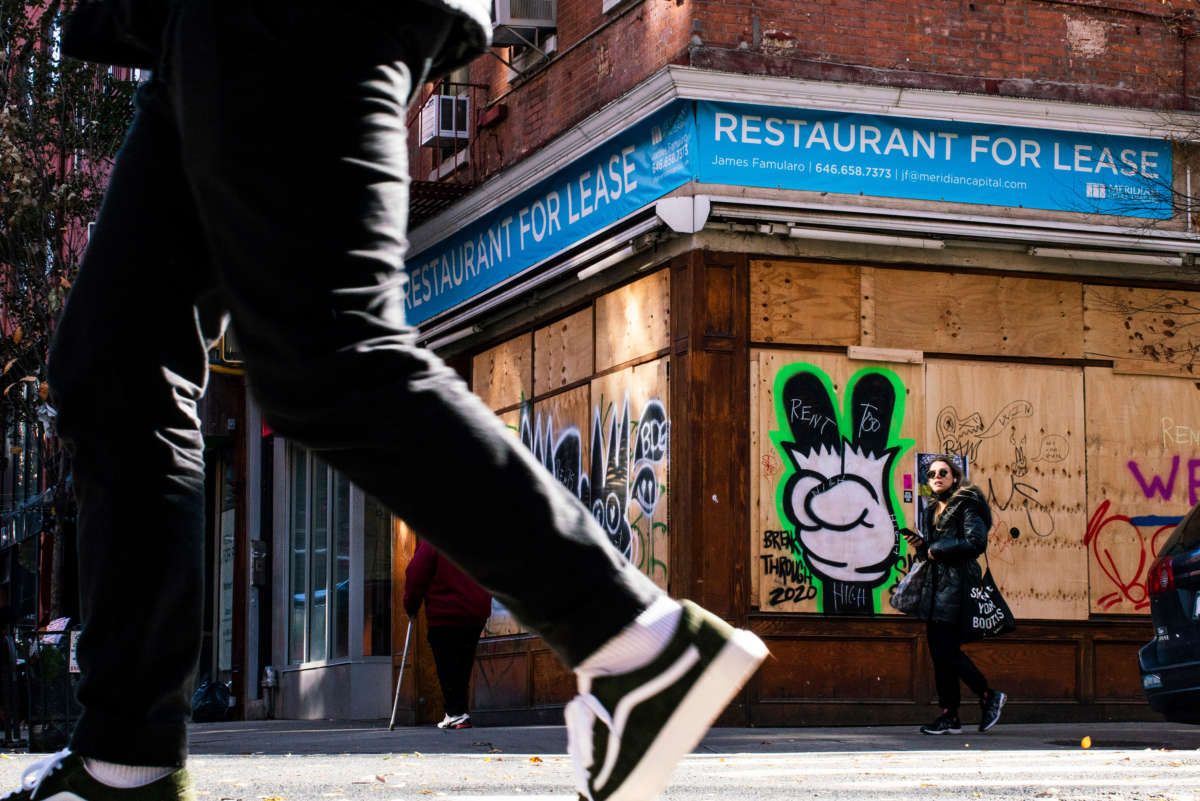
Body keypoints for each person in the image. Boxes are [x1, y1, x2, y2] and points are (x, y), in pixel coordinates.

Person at [4, 1, 768, 800]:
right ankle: (126, 755)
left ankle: (636, 639)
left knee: (328, 353)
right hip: (186, 33)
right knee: (113, 362)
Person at [902, 456, 1006, 735]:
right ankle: (951, 715)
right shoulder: (933, 510)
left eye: (943, 472)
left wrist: (939, 550)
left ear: (955, 478)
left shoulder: (967, 504)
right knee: (939, 652)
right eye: (932, 473)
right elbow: (934, 551)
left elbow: (976, 542)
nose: (936, 477)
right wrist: (922, 546)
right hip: (937, 587)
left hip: (958, 586)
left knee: (945, 649)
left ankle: (986, 695)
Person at [403, 539, 491, 730]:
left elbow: (415, 574)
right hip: (476, 610)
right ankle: (457, 712)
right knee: (462, 663)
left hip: (446, 611)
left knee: (448, 664)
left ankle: (456, 713)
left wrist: (411, 605)